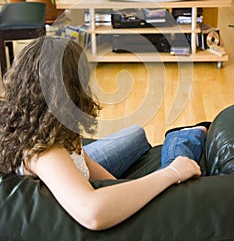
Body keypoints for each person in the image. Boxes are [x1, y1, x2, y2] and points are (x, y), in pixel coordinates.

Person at [0, 36, 210, 231]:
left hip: (73, 171)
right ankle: (183, 138)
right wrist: (171, 173)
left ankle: (181, 138)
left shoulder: (45, 126)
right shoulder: (44, 153)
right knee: (174, 164)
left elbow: (86, 161)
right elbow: (93, 214)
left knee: (135, 134)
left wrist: (130, 191)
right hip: (72, 196)